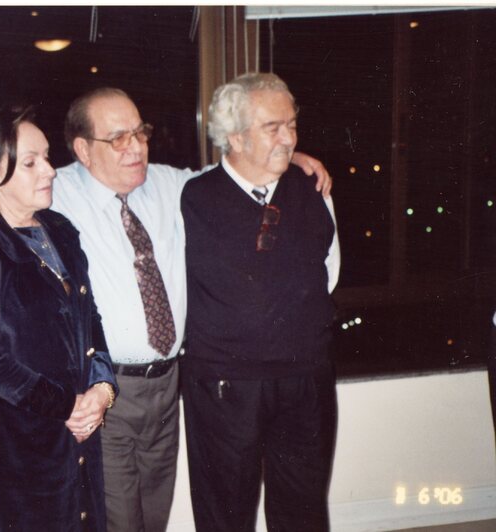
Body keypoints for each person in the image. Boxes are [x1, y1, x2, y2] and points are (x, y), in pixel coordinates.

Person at [0, 87, 332, 531]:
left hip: (167, 388)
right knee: (118, 521)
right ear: (83, 150)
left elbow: (232, 173)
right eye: (118, 138)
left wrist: (286, 157)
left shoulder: (170, 185)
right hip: (106, 391)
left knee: (153, 517)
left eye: (140, 132)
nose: (137, 147)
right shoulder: (56, 192)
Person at [0, 100, 118, 531]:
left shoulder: (61, 231)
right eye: (31, 162)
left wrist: (103, 387)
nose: (50, 171)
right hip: (8, 455)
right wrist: (65, 405)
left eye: (47, 158)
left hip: (74, 439)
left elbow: (89, 317)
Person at [180, 72, 340, 531]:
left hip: (304, 379)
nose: (289, 138)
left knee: (303, 509)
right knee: (225, 514)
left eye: (292, 125)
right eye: (273, 128)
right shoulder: (190, 197)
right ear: (234, 137)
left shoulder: (313, 189)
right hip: (224, 385)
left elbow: (328, 274)